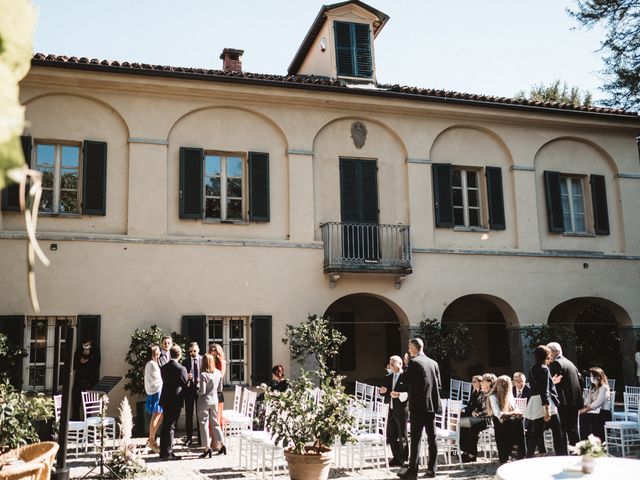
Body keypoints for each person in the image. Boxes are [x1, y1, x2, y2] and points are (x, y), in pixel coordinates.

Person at [398, 338, 441, 479]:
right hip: (431, 406)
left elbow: (405, 380)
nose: (409, 350)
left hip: (418, 406)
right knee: (432, 438)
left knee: (415, 439)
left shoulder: (414, 362)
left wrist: (405, 365)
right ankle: (432, 469)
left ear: (413, 347)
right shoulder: (434, 363)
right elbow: (438, 385)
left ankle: (413, 470)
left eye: (409, 347)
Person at [525, 345, 566, 457]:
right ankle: (561, 455)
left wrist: (551, 381)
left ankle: (528, 456)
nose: (550, 359)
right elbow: (545, 391)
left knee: (536, 433)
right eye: (549, 357)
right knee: (557, 432)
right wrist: (546, 409)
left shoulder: (532, 369)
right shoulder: (545, 369)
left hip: (536, 402)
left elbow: (539, 387)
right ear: (545, 357)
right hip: (546, 403)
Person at [547, 342, 583, 449]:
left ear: (554, 352)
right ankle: (577, 451)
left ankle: (563, 454)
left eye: (549, 353)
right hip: (574, 401)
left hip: (563, 402)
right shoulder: (570, 363)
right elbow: (580, 380)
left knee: (561, 430)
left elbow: (553, 384)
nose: (548, 356)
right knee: (573, 429)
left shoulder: (557, 363)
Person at [158, 345, 188, 460]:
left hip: (165, 396)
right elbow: (185, 383)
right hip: (175, 398)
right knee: (171, 426)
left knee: (165, 424)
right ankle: (168, 452)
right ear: (179, 355)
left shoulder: (163, 367)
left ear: (170, 354)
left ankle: (163, 451)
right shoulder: (181, 368)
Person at [379, 355, 409, 467]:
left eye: (393, 363)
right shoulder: (388, 377)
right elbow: (384, 391)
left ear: (400, 364)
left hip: (401, 409)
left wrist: (399, 395)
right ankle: (396, 457)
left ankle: (405, 458)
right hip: (390, 409)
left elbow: (410, 393)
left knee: (402, 435)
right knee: (391, 434)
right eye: (390, 363)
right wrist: (382, 391)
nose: (390, 365)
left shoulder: (405, 377)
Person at [488, 375, 525, 464]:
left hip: (511, 421)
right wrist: (514, 413)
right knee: (511, 424)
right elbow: (499, 414)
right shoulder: (493, 397)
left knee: (518, 422)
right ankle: (508, 454)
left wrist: (518, 413)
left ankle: (518, 451)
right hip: (500, 423)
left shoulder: (510, 395)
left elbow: (515, 408)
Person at [197, 353, 226, 458]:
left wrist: (197, 390)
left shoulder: (203, 374)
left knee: (204, 424)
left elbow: (202, 391)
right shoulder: (218, 373)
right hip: (214, 400)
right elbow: (220, 389)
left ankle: (207, 448)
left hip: (204, 401)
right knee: (215, 423)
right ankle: (222, 444)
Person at [460, 374, 493, 463]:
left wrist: (478, 413)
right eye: (472, 382)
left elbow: (487, 410)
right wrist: (467, 411)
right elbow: (473, 406)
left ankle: (472, 453)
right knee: (462, 423)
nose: (473, 383)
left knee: (471, 426)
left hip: (485, 419)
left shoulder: (486, 394)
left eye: (475, 382)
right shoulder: (476, 393)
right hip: (477, 417)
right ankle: (465, 450)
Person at [579, 367, 611, 441]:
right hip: (595, 412)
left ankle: (596, 440)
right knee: (583, 416)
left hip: (604, 413)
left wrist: (585, 410)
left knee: (586, 416)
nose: (592, 378)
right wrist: (581, 409)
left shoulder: (604, 388)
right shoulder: (592, 388)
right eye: (591, 376)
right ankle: (584, 441)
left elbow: (598, 402)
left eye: (593, 376)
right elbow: (587, 401)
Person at [71, 339, 101, 420]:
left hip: (90, 381)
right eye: (84, 345)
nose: (85, 347)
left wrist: (88, 357)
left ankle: (87, 423)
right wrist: (81, 360)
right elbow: (74, 365)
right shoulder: (79, 351)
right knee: (76, 403)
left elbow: (96, 364)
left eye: (87, 345)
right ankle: (76, 422)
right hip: (79, 381)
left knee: (88, 406)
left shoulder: (96, 351)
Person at [182, 342, 202, 446]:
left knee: (200, 414)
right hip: (189, 390)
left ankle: (200, 438)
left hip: (200, 389)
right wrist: (187, 377)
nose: (192, 353)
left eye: (194, 351)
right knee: (189, 414)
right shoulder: (185, 362)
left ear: (198, 350)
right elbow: (181, 377)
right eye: (190, 351)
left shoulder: (203, 360)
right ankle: (189, 438)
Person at [144, 344, 163, 453]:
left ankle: (152, 438)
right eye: (157, 351)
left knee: (160, 415)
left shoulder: (155, 363)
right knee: (156, 415)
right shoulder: (151, 364)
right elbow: (157, 379)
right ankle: (151, 440)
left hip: (158, 390)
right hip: (156, 391)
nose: (159, 352)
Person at [209, 343, 227, 450]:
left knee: (217, 418)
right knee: (211, 418)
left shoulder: (222, 362)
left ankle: (219, 442)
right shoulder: (209, 361)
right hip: (210, 392)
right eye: (211, 350)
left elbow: (220, 376)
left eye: (215, 350)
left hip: (218, 392)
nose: (213, 352)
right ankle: (213, 440)